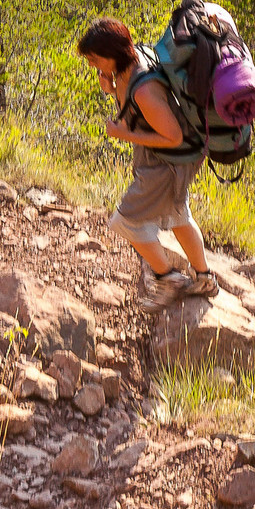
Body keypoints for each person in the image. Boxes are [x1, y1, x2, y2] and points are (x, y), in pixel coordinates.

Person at [77, 16, 215, 311]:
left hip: (169, 162)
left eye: (95, 59)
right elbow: (133, 110)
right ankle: (204, 278)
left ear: (112, 53)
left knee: (125, 223)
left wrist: (123, 134)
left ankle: (169, 279)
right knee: (178, 215)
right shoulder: (132, 62)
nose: (92, 65)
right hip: (172, 160)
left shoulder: (143, 88)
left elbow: (172, 136)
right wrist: (111, 89)